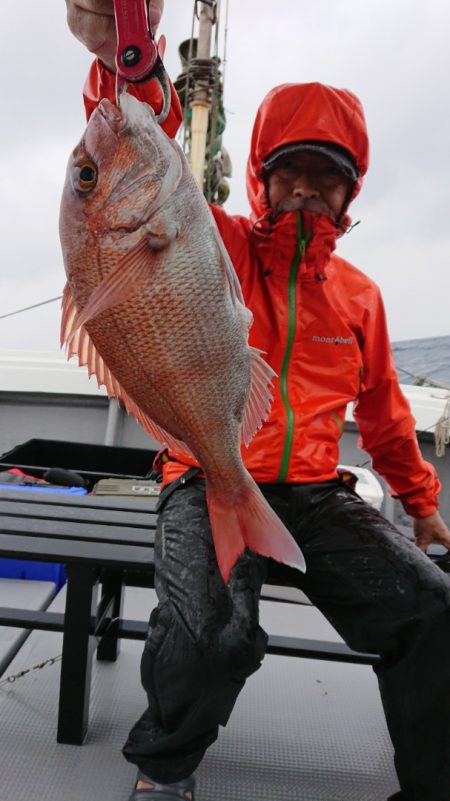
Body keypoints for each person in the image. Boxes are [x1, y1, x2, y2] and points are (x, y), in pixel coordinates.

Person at [65, 4, 450, 800]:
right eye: (289, 171)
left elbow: (381, 413)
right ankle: (164, 770)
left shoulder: (362, 298)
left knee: (434, 610)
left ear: (351, 192)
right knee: (211, 631)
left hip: (313, 491)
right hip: (203, 470)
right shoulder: (214, 239)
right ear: (260, 179)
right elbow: (143, 144)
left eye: (327, 175)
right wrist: (121, 58)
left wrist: (422, 503)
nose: (306, 188)